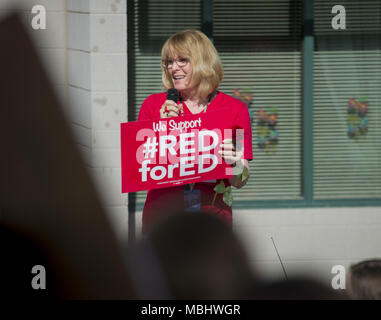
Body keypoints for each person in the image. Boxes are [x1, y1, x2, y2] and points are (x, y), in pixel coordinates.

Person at [138, 29, 253, 234]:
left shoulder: (235, 109)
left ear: (202, 61)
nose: (174, 68)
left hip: (212, 222)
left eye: (182, 60)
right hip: (163, 220)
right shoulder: (153, 105)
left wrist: (235, 162)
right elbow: (142, 169)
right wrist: (162, 130)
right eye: (169, 62)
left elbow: (239, 180)